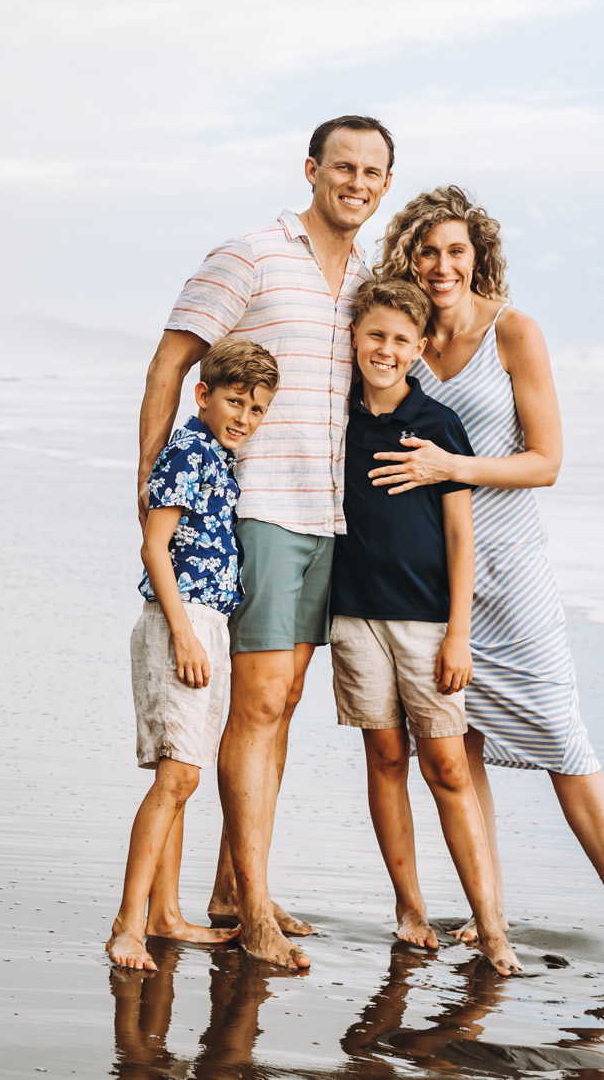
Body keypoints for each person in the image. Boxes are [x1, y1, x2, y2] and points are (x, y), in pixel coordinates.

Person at [368, 185, 604, 960]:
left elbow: (546, 461)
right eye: (427, 250)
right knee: (459, 746)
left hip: (510, 573)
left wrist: (453, 466)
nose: (441, 265)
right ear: (408, 257)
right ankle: (490, 912)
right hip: (428, 578)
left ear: (477, 254)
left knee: (562, 734)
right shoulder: (403, 338)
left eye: (456, 250)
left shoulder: (513, 332)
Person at [137, 115, 395, 968]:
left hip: (328, 516)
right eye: (344, 166)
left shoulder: (368, 279)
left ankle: (234, 885)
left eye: (373, 172)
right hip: (258, 509)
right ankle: (252, 912)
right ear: (312, 169)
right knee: (254, 706)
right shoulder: (250, 254)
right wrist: (150, 486)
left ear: (385, 184)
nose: (357, 183)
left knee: (279, 707)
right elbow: (171, 362)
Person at [328, 277, 519, 974]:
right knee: (384, 759)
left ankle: (492, 926)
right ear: (355, 336)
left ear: (418, 349)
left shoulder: (437, 424)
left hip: (428, 624)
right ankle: (409, 909)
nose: (386, 349)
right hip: (354, 617)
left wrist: (458, 633)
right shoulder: (335, 417)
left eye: (401, 340)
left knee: (446, 766)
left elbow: (462, 536)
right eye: (376, 335)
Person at [108, 339, 279, 971]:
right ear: (203, 394)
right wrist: (183, 634)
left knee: (180, 776)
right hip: (178, 622)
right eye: (235, 402)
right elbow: (154, 547)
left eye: (256, 409)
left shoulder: (220, 457)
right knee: (177, 776)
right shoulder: (187, 450)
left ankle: (164, 916)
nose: (244, 418)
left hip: (208, 623)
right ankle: (128, 925)